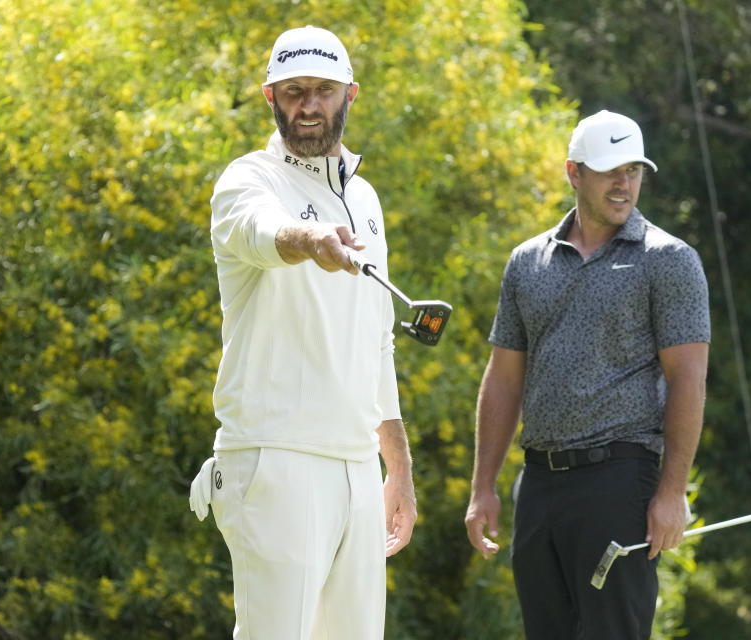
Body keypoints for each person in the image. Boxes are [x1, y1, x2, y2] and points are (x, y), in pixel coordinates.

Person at [188, 25, 417, 640]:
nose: (309, 105)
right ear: (270, 96)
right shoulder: (247, 180)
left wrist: (396, 466)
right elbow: (266, 234)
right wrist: (313, 241)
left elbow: (377, 340)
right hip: (274, 456)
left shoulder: (364, 197)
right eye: (293, 92)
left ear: (350, 95)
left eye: (323, 90)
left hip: (355, 464)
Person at [464, 109, 710, 639]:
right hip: (540, 484)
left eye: (634, 170)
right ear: (574, 173)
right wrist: (483, 486)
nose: (624, 184)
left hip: (620, 483)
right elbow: (504, 378)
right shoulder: (527, 262)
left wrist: (672, 493)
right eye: (609, 170)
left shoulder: (669, 261)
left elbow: (689, 380)